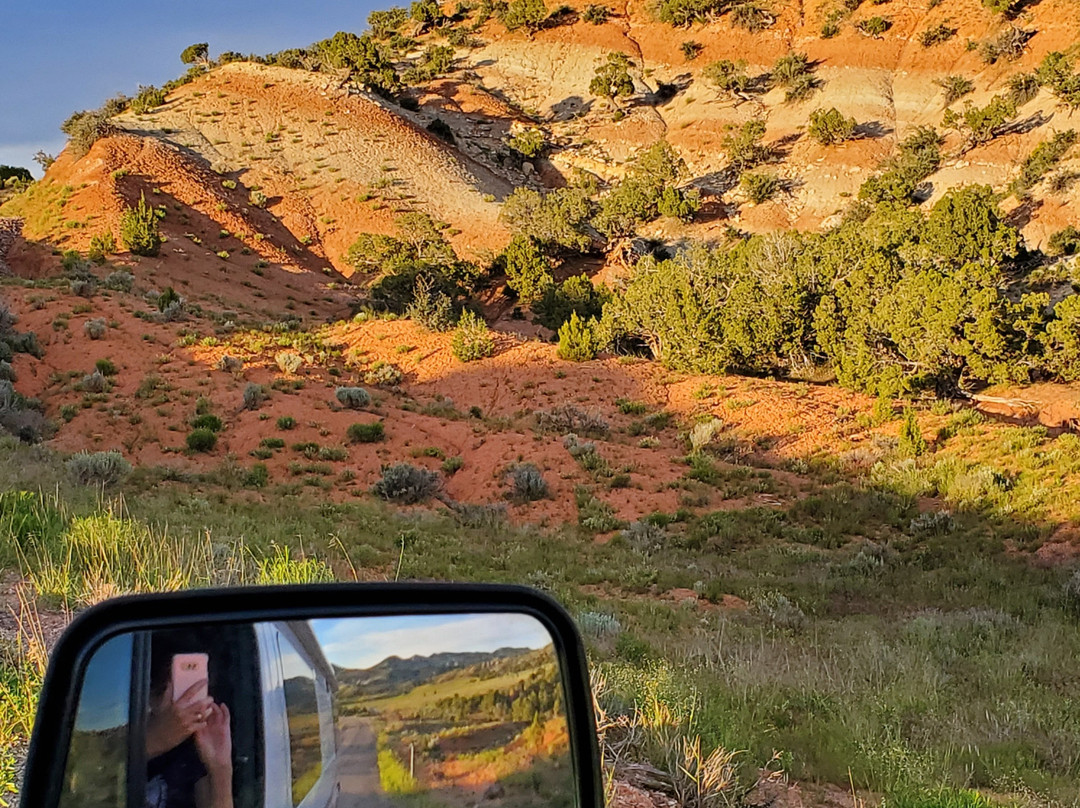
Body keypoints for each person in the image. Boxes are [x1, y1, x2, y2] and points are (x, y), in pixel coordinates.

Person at [145, 644, 234, 808]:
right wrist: (154, 741)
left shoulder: (196, 752)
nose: (187, 698)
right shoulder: (119, 736)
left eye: (199, 687)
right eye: (181, 686)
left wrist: (221, 768)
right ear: (149, 695)